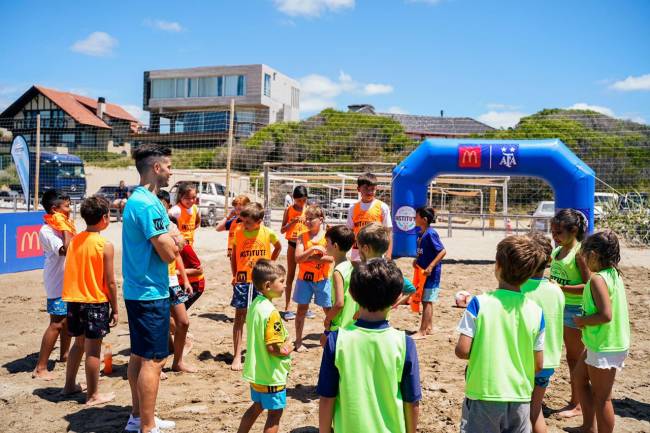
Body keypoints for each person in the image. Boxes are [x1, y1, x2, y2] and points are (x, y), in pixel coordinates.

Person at [317, 259, 421, 433]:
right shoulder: (404, 343)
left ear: (352, 293)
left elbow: (327, 398)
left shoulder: (337, 340)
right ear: (396, 298)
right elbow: (412, 402)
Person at [455, 235, 546, 433]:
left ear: (498, 266)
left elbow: (462, 350)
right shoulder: (536, 311)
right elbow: (538, 364)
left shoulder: (478, 303)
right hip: (520, 397)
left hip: (484, 394)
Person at [122, 144, 180, 433]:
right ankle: (147, 426)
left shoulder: (139, 199)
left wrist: (172, 237)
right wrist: (176, 240)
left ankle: (138, 417)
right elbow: (168, 253)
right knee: (154, 360)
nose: (171, 171)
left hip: (138, 290)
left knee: (139, 355)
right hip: (149, 292)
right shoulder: (147, 203)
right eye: (168, 165)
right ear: (156, 168)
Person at [61, 196, 118, 405]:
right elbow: (110, 282)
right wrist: (116, 308)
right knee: (93, 350)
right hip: (95, 300)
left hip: (74, 299)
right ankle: (93, 394)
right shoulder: (105, 245)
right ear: (104, 218)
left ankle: (69, 386)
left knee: (78, 344)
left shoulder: (75, 240)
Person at [573, 230, 630, 433]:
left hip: (606, 344)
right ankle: (588, 426)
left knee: (602, 397)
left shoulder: (598, 280)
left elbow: (606, 315)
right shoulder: (612, 273)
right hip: (599, 341)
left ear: (594, 254)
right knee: (579, 378)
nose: (584, 261)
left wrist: (582, 320)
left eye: (585, 255)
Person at [237, 260, 293, 433]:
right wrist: (287, 348)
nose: (285, 286)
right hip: (271, 374)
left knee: (256, 407)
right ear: (268, 285)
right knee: (274, 415)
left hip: (257, 372)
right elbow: (272, 348)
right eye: (282, 282)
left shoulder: (255, 305)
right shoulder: (271, 313)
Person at [521, 232, 565, 433]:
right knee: (535, 410)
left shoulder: (519, 288)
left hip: (523, 360)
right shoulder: (557, 290)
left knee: (518, 412)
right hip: (548, 361)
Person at [230, 202, 282, 371]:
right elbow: (234, 256)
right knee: (240, 316)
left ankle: (261, 351)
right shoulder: (238, 233)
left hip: (262, 281)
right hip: (243, 280)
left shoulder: (267, 233)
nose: (244, 225)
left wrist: (270, 263)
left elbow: (279, 246)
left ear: (259, 221)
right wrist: (235, 274)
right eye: (243, 221)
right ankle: (237, 355)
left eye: (248, 222)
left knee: (263, 316)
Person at [549, 209, 591, 418]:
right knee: (569, 357)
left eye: (558, 232)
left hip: (574, 310)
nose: (554, 236)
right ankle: (575, 401)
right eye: (552, 232)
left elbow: (589, 285)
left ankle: (578, 404)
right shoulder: (557, 251)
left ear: (573, 230)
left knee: (576, 359)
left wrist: (560, 288)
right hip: (559, 308)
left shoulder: (579, 254)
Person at [33, 189, 75, 380]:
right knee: (57, 323)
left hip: (69, 279)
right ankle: (41, 367)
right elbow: (65, 250)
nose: (69, 210)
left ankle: (65, 354)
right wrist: (65, 228)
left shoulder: (64, 225)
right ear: (54, 209)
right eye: (65, 207)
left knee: (68, 320)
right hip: (57, 281)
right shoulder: (47, 230)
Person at [158, 190, 195, 374]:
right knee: (160, 323)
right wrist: (175, 242)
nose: (161, 208)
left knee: (183, 322)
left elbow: (178, 250)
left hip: (172, 280)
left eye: (163, 205)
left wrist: (185, 279)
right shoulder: (151, 226)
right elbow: (175, 245)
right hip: (156, 282)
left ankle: (178, 362)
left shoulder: (170, 224)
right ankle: (158, 366)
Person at [293, 205, 333, 352]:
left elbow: (331, 258)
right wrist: (312, 250)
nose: (308, 222)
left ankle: (332, 337)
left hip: (322, 279)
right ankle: (298, 341)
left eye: (311, 219)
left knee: (328, 310)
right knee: (301, 310)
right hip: (304, 279)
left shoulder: (328, 236)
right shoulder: (301, 236)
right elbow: (298, 258)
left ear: (320, 219)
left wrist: (312, 258)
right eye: (306, 219)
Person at [356, 223, 417, 305]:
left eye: (359, 248)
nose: (358, 252)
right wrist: (394, 304)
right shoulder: (389, 269)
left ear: (366, 248)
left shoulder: (363, 271)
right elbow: (411, 290)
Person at [410, 206, 446, 339]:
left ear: (424, 219)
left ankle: (422, 331)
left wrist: (431, 266)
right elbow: (423, 251)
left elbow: (442, 251)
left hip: (431, 274)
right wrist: (417, 260)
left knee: (427, 301)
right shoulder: (421, 233)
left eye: (416, 216)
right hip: (422, 273)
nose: (414, 218)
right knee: (426, 300)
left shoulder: (431, 233)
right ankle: (429, 327)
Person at [347, 172, 392, 263]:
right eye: (366, 188)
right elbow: (349, 232)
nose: (370, 192)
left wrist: (388, 255)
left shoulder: (382, 207)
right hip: (357, 254)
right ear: (358, 189)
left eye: (372, 189)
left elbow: (389, 233)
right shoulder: (352, 209)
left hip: (376, 252)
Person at [321, 225, 355, 345]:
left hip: (339, 326)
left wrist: (328, 319)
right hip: (351, 324)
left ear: (335, 246)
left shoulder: (338, 272)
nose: (325, 245)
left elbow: (339, 303)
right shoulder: (350, 266)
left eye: (327, 242)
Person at [280, 186, 308, 320]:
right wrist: (292, 222)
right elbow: (282, 229)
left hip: (305, 246)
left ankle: (304, 306)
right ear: (293, 199)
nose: (301, 203)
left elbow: (314, 227)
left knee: (305, 277)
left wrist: (307, 223)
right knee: (290, 275)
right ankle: (287, 306)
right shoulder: (289, 210)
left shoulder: (308, 210)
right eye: (298, 200)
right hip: (292, 244)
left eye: (303, 200)